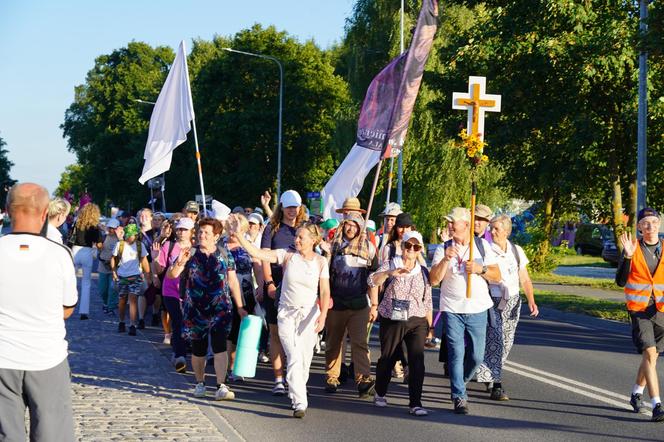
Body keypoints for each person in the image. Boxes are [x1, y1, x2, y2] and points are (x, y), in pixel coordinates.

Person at [0, 183, 78, 441]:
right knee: (52, 433)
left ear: (8, 211)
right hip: (46, 357)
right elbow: (67, 309)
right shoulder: (59, 255)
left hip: (3, 356)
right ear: (45, 213)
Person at [232, 221, 330, 418]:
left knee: (304, 360)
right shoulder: (287, 255)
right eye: (296, 236)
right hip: (286, 312)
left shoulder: (320, 261)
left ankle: (297, 389)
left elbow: (325, 291)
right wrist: (240, 236)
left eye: (301, 237)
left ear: (313, 240)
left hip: (309, 315)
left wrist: (323, 316)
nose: (297, 240)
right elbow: (259, 253)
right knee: (293, 355)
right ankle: (299, 402)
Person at [429, 207, 501, 415]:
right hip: (452, 309)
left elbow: (496, 275)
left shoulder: (482, 246)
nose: (450, 226)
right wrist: (445, 259)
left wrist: (480, 269)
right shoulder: (444, 248)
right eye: (449, 222)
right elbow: (434, 280)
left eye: (454, 222)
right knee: (456, 353)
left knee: (477, 357)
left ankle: (460, 380)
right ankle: (459, 396)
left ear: (466, 225)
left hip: (478, 308)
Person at [168, 217, 248, 400]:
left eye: (207, 233)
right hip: (195, 309)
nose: (202, 235)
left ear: (216, 236)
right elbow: (172, 275)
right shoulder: (189, 253)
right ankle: (200, 383)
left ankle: (221, 385)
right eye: (200, 232)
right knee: (199, 349)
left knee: (220, 347)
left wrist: (240, 306)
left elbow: (233, 281)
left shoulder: (224, 253)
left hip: (220, 308)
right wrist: (180, 262)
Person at [368, 231, 433, 416]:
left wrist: (431, 327)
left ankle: (415, 403)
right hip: (392, 318)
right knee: (387, 358)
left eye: (416, 247)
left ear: (419, 250)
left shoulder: (423, 271)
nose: (411, 250)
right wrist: (389, 273)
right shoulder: (390, 264)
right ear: (402, 247)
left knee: (417, 361)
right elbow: (372, 281)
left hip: (417, 320)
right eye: (408, 246)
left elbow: (427, 301)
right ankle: (380, 392)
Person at [475, 214, 538, 401]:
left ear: (507, 231)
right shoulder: (485, 248)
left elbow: (524, 278)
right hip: (492, 299)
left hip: (513, 301)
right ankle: (496, 384)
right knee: (495, 340)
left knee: (506, 342)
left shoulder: (515, 250)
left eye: (496, 229)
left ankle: (489, 371)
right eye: (491, 228)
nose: (492, 232)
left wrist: (531, 300)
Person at [616, 207, 664, 421]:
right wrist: (626, 257)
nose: (650, 226)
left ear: (659, 225)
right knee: (648, 351)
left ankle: (636, 393)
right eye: (646, 223)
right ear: (639, 227)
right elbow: (620, 280)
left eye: (654, 222)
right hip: (639, 309)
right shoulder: (632, 248)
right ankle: (657, 405)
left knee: (651, 357)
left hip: (661, 310)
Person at [324, 212, 378, 397]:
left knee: (360, 343)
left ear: (360, 228)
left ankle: (363, 379)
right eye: (349, 224)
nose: (351, 229)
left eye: (355, 226)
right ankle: (332, 376)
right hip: (336, 303)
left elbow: (373, 278)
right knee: (334, 342)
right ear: (343, 225)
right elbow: (324, 273)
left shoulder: (369, 248)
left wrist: (374, 305)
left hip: (359, 304)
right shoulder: (333, 246)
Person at [260, 189, 308, 395]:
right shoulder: (271, 228)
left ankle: (294, 376)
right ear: (281, 207)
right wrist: (268, 282)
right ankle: (279, 379)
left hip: (298, 289)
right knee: (276, 333)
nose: (292, 211)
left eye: (295, 207)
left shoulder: (304, 229)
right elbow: (264, 257)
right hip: (276, 286)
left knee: (297, 336)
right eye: (288, 207)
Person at [156, 217, 194, 373]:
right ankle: (180, 356)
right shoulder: (169, 246)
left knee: (187, 323)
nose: (181, 232)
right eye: (179, 229)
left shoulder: (196, 248)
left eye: (185, 229)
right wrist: (154, 257)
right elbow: (159, 270)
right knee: (178, 322)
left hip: (191, 292)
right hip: (170, 290)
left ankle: (177, 349)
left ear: (192, 231)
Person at [223, 214, 257, 382]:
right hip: (225, 293)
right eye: (229, 227)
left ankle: (240, 365)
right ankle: (229, 366)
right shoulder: (220, 246)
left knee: (243, 329)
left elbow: (257, 265)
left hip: (247, 292)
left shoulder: (248, 246)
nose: (232, 231)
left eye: (235, 227)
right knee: (230, 330)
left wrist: (263, 287)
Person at [111, 223, 151, 336]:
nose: (131, 237)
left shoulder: (140, 245)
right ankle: (121, 321)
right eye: (129, 235)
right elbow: (113, 258)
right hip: (122, 276)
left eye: (133, 235)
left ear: (136, 235)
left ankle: (132, 324)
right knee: (122, 300)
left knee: (133, 300)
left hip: (135, 276)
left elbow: (144, 260)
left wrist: (148, 274)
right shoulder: (120, 245)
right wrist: (114, 272)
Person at [70, 202, 103, 320]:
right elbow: (99, 244)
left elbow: (70, 239)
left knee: (70, 280)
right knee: (86, 283)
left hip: (75, 251)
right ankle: (84, 312)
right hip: (87, 252)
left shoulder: (76, 223)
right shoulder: (94, 227)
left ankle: (67, 304)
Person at [98, 218, 122, 314]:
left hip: (115, 268)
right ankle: (105, 302)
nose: (111, 230)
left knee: (113, 288)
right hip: (103, 266)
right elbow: (98, 250)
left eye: (113, 228)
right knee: (102, 289)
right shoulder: (104, 237)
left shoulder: (120, 239)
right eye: (109, 228)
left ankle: (110, 306)